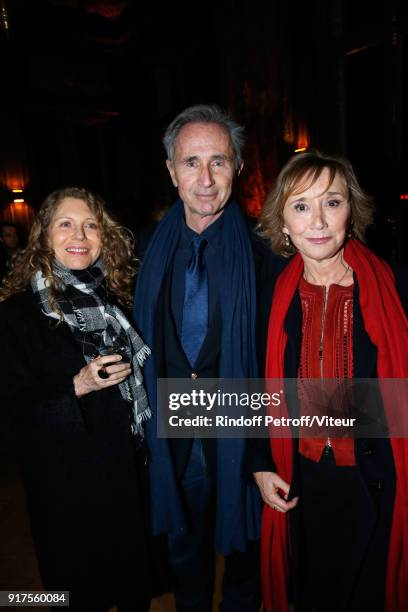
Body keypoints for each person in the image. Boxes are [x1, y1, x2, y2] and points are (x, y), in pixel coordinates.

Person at [133, 104, 284, 612]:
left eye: (218, 161)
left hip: (243, 435)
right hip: (172, 439)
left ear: (237, 168)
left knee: (245, 560)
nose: (204, 178)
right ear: (171, 170)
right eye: (190, 162)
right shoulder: (138, 253)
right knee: (185, 559)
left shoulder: (268, 256)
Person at [252, 150, 408, 611]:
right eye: (301, 206)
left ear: (351, 213)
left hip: (378, 479)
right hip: (301, 482)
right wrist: (261, 462)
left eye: (332, 202)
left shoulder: (396, 286)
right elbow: (253, 387)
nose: (317, 220)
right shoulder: (269, 293)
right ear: (282, 221)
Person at [0, 187, 152, 612]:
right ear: (44, 236)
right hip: (66, 495)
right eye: (65, 224)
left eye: (91, 224)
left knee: (133, 592)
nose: (79, 235)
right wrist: (77, 386)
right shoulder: (16, 316)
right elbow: (10, 416)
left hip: (127, 481)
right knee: (76, 596)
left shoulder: (119, 301)